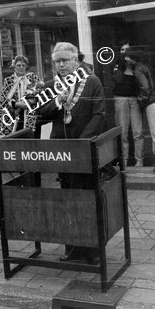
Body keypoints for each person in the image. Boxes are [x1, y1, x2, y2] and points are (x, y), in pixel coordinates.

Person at [38, 42, 106, 265]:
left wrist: (80, 144)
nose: (61, 65)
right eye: (57, 61)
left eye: (65, 60)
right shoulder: (51, 85)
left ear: (76, 60)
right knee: (68, 201)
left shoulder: (92, 81)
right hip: (61, 153)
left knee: (88, 200)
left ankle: (93, 251)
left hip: (84, 150)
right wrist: (57, 101)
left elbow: (99, 115)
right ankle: (72, 250)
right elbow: (41, 114)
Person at [125, 46, 155, 172]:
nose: (126, 58)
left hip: (152, 100)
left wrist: (141, 100)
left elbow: (145, 88)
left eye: (128, 56)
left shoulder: (138, 69)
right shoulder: (145, 65)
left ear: (133, 57)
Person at [111, 40, 144, 167]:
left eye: (128, 50)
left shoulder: (137, 65)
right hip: (121, 99)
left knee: (138, 132)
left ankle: (139, 161)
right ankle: (124, 161)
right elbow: (117, 80)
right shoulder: (117, 64)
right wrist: (122, 64)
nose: (125, 53)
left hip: (135, 99)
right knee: (123, 133)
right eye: (122, 50)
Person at [0, 55, 42, 136]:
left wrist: (30, 103)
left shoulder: (33, 78)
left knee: (32, 144)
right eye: (18, 65)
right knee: (17, 143)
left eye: (23, 65)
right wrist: (17, 105)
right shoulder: (9, 81)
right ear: (14, 67)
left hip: (31, 117)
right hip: (15, 118)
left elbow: (40, 96)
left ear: (26, 67)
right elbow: (4, 101)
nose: (21, 67)